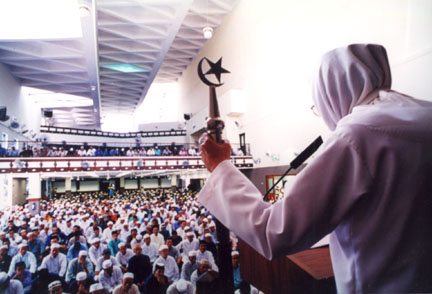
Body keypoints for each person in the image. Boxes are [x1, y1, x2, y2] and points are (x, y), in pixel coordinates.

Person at [198, 44, 432, 293]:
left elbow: (275, 231)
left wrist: (220, 166)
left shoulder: (356, 135)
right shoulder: (423, 115)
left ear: (331, 93)